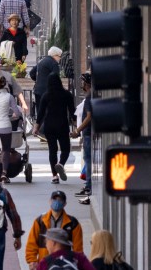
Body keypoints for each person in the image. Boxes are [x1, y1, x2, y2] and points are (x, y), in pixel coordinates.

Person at [34, 73, 75, 184]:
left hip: (49, 126)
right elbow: (72, 112)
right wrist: (76, 128)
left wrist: (36, 128)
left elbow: (41, 113)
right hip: (62, 125)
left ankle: (54, 176)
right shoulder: (66, 94)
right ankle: (61, 164)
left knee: (52, 151)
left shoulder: (46, 95)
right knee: (65, 149)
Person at [25, 190, 84, 269]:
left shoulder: (73, 223)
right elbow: (31, 243)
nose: (57, 202)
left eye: (60, 200)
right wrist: (32, 260)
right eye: (54, 199)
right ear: (50, 201)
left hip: (63, 265)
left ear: (65, 204)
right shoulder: (40, 221)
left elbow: (78, 248)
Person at [70, 72, 93, 204]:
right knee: (87, 159)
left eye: (83, 82)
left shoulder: (89, 98)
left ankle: (89, 186)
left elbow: (88, 117)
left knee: (88, 160)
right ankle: (88, 186)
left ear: (87, 84)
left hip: (88, 133)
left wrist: (78, 130)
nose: (81, 85)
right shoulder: (91, 97)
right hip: (88, 133)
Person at [31, 47, 62, 120]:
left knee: (40, 112)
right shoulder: (54, 63)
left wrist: (39, 80)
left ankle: (39, 129)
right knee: (49, 113)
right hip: (48, 91)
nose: (60, 58)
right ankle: (46, 130)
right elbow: (56, 78)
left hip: (38, 91)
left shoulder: (41, 61)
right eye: (59, 56)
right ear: (55, 55)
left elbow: (32, 73)